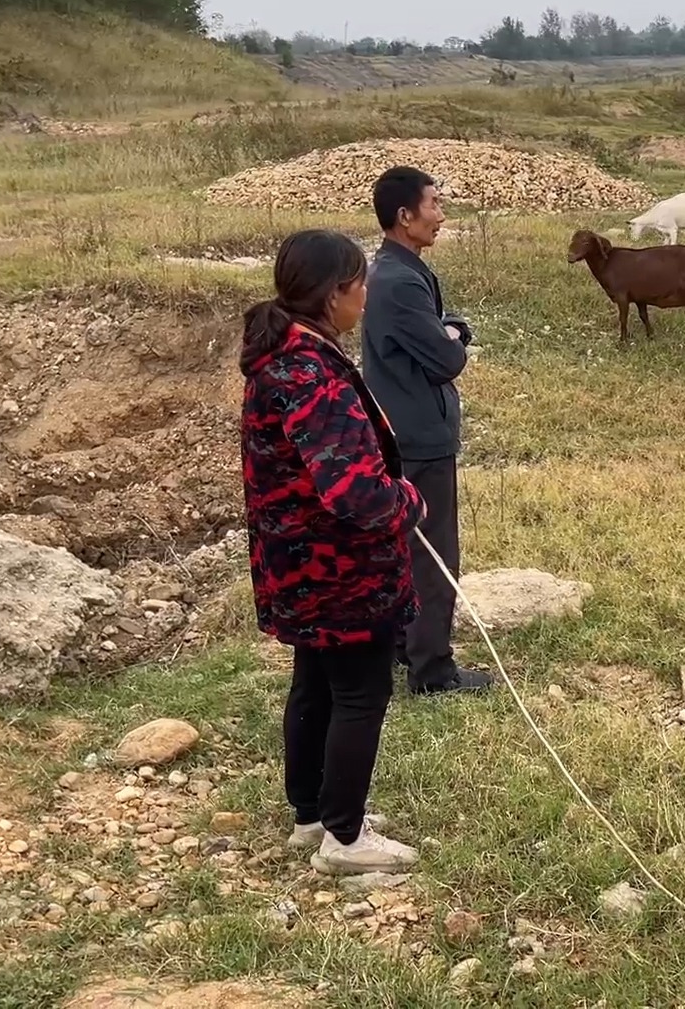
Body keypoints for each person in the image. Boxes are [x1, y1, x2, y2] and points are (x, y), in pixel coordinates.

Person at [241, 228, 426, 875]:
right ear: (335, 293)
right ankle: (343, 840)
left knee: (315, 685)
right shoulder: (311, 374)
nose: (366, 293)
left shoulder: (286, 356)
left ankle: (314, 814)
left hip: (297, 564)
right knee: (357, 694)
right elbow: (356, 495)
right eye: (360, 282)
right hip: (341, 574)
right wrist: (409, 501)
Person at [362, 166, 493, 697]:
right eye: (434, 204)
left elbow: (439, 338)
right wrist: (454, 335)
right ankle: (433, 670)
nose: (441, 215)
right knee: (433, 553)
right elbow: (445, 360)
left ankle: (402, 646)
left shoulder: (398, 272)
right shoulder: (397, 281)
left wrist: (448, 330)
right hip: (418, 436)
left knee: (404, 547)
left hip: (402, 429)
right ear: (405, 215)